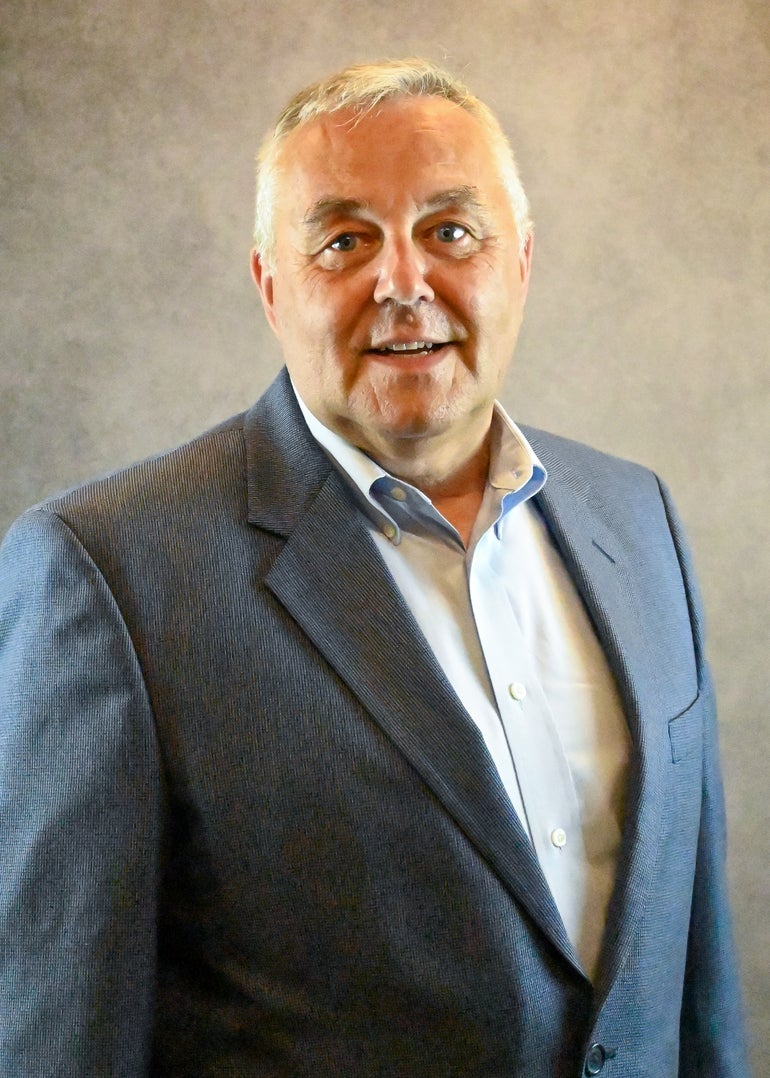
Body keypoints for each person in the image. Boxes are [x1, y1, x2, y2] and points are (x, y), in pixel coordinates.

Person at [0, 58, 747, 1077]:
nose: (402, 281)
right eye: (344, 241)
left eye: (450, 231)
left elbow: (697, 1002)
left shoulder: (638, 518)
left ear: (519, 261)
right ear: (270, 286)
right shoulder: (107, 577)